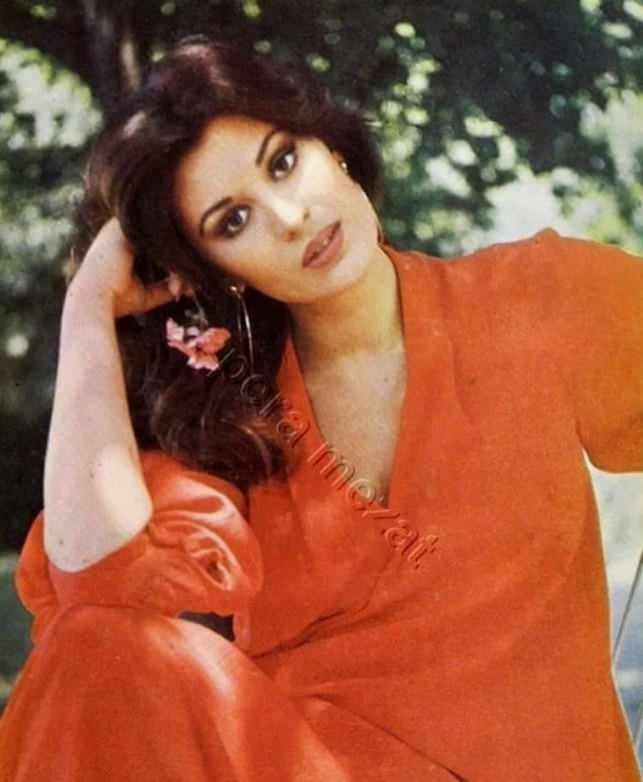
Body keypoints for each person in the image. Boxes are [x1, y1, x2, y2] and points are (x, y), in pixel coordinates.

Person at [0, 35, 641, 782]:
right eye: (232, 222)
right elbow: (97, 594)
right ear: (215, 272)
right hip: (313, 767)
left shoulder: (534, 299)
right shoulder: (225, 415)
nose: (290, 216)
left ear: (330, 146)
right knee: (102, 645)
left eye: (282, 161)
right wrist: (86, 309)